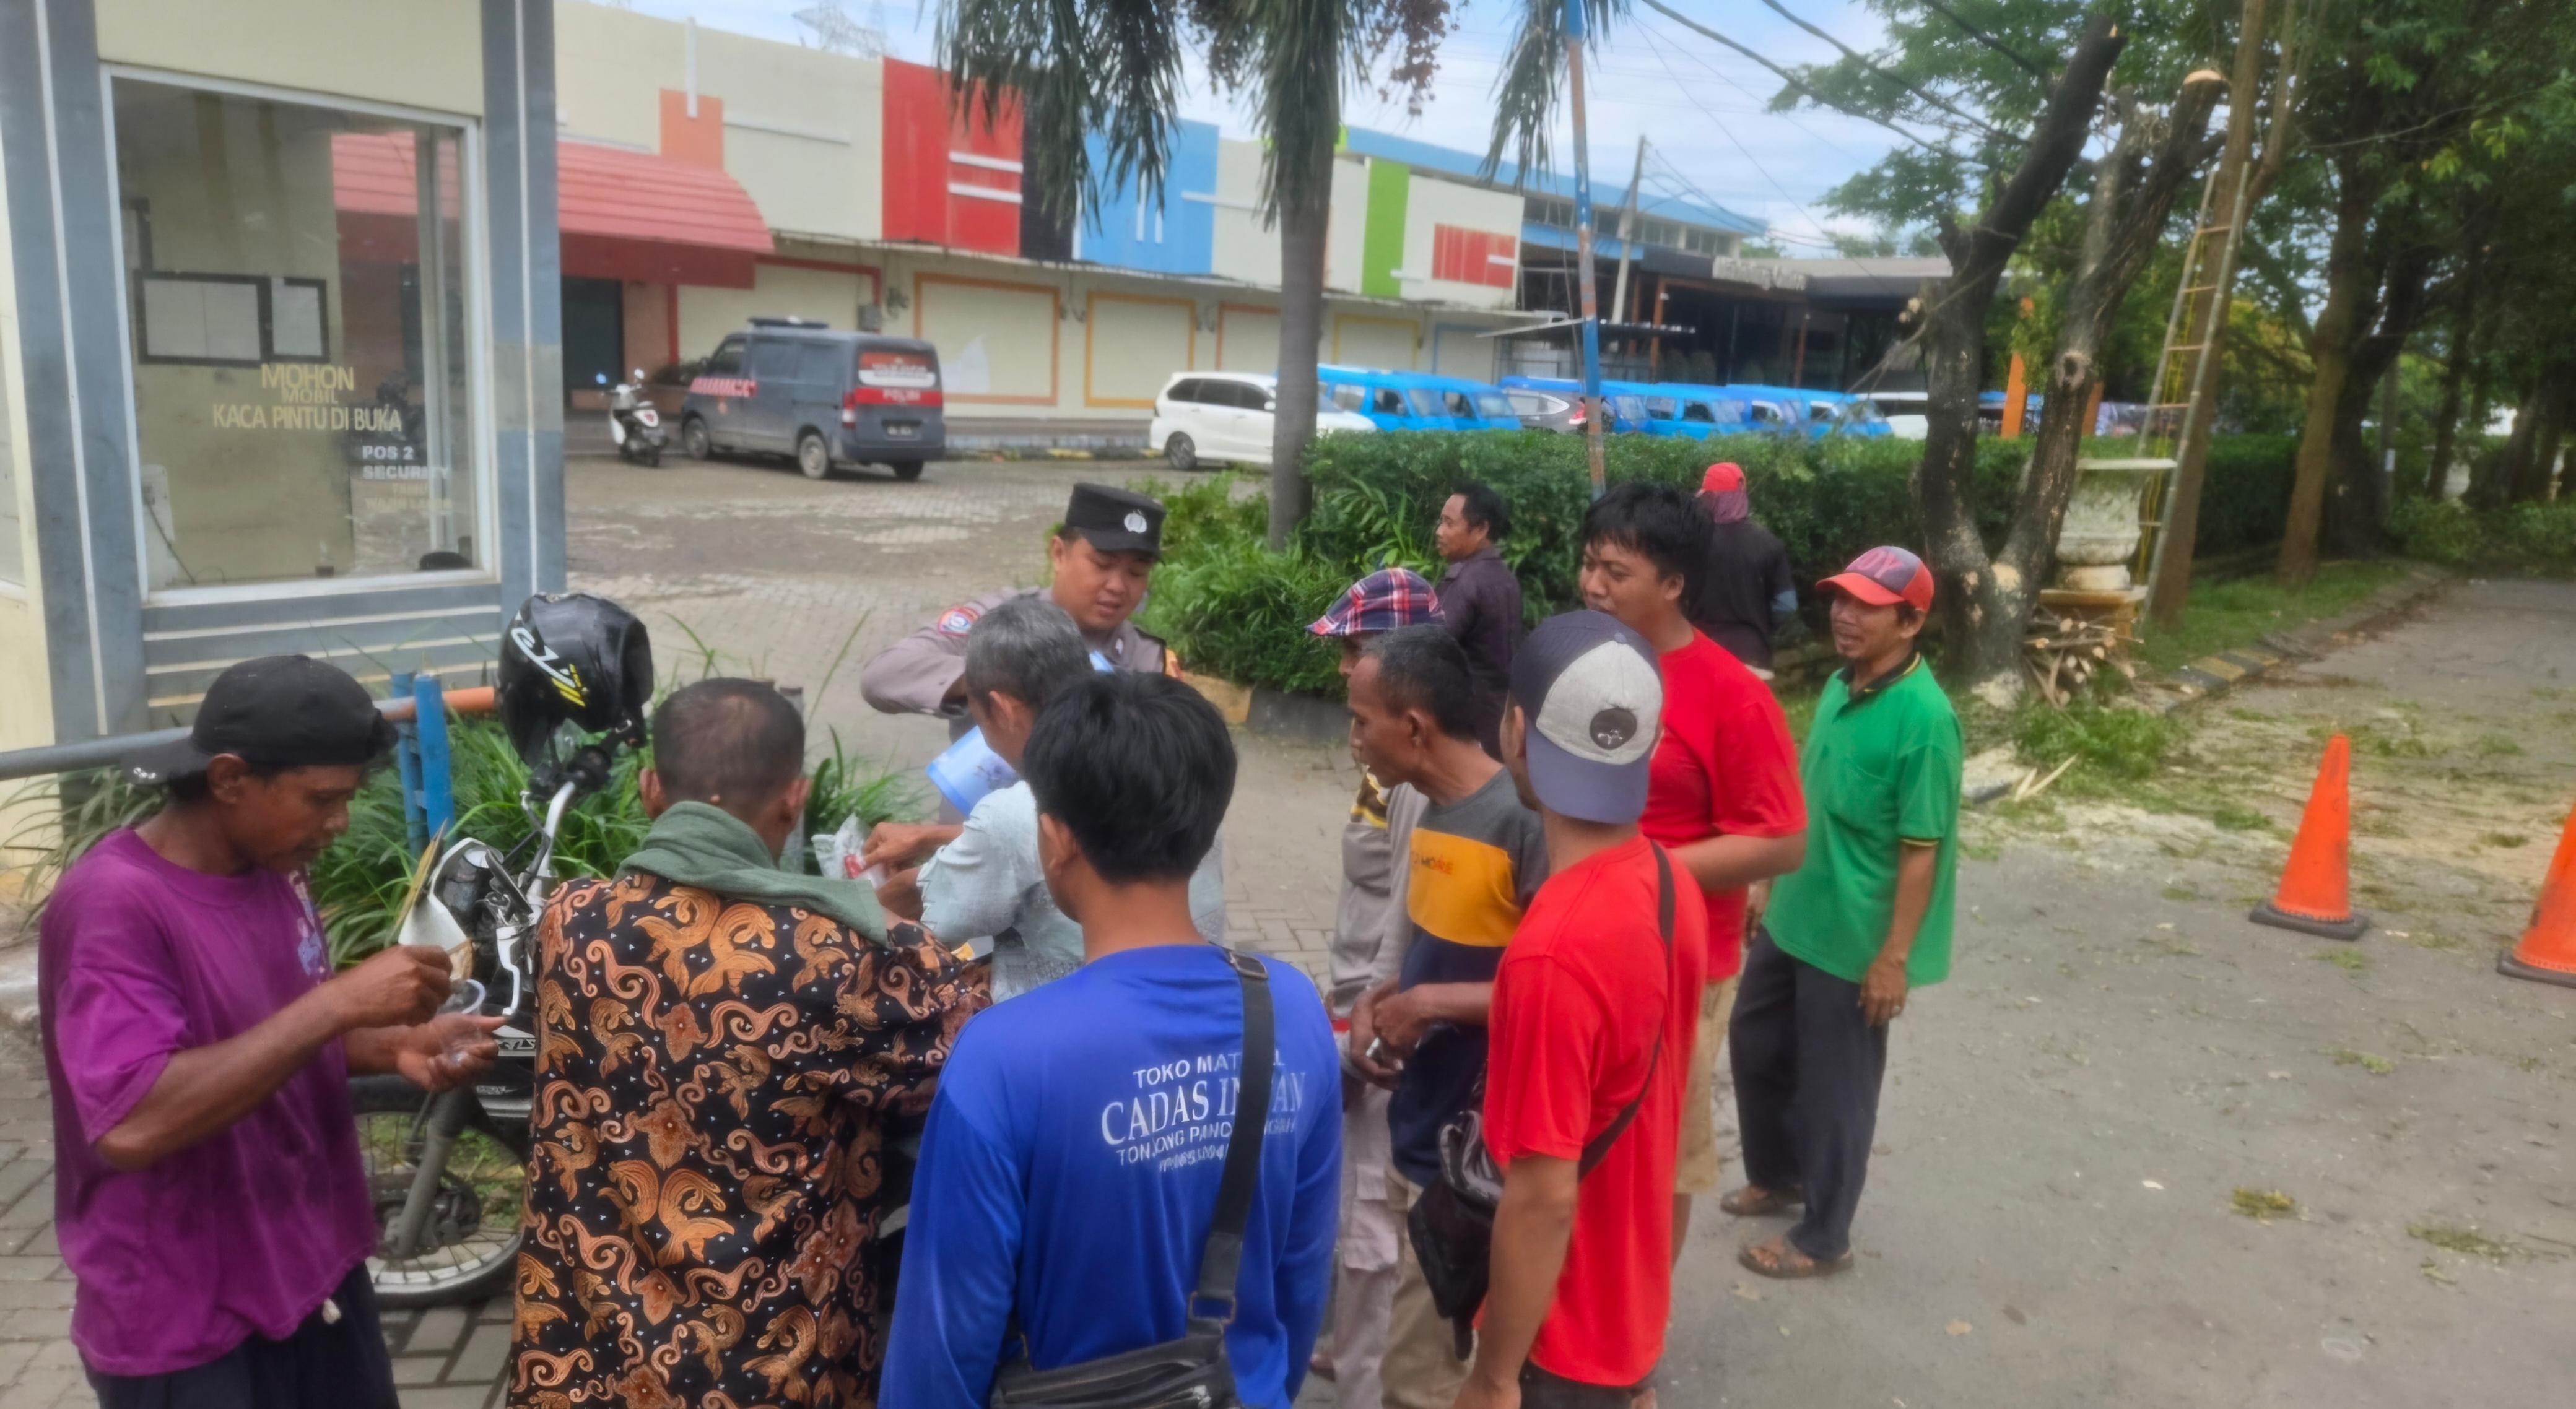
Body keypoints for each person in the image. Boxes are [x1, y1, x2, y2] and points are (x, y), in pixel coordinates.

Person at [39, 655, 500, 1408]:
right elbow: (131, 1121)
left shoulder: (274, 862)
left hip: (315, 1273)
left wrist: (391, 1045)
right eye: (322, 798)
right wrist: (337, 1004)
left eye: (348, 798)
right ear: (229, 778)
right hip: (188, 1317)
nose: (339, 822)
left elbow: (260, 1036)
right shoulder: (116, 905)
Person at [510, 678, 986, 1406]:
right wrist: (885, 923)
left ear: (649, 789)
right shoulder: (834, 955)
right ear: (795, 798)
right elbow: (967, 1045)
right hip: (767, 1363)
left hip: (589, 1354)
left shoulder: (569, 920)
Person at [882, 673, 1341, 1409]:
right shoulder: (1291, 1008)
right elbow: (1302, 1273)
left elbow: (943, 1341)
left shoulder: (1003, 1056)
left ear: (1057, 839)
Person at [1456, 611, 1709, 1409]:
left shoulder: (1551, 951)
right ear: (1647, 743)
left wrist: (1493, 1377)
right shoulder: (1671, 882)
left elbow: (1542, 1194)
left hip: (1556, 1347)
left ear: (1515, 731)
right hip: (1626, 1321)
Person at [1578, 482, 1806, 1262]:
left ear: (1673, 583)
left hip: (1678, 962)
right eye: (1588, 564)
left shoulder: (1730, 694)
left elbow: (1781, 840)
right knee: (1575, 1146)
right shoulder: (1586, 665)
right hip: (1581, 945)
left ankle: (1641, 1324)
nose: (1592, 585)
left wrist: (1640, 873)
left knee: (1657, 1158)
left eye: (1615, 572)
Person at [1729, 547, 1962, 1280]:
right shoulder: (1839, 684)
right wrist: (1765, 883)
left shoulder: (1925, 719)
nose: (1843, 614)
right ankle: (1779, 1174)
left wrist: (1892, 958)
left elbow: (1921, 850)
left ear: (1911, 621)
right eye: (1839, 598)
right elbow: (1806, 794)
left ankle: (1825, 1236)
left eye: (1865, 605)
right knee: (1754, 1043)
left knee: (1836, 1088)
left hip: (1855, 939)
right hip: (1796, 908)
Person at [1341, 628, 1547, 1409]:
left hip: (1471, 1161)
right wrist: (1386, 995)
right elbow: (1446, 952)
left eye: (1362, 719)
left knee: (1419, 1384)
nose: (1355, 737)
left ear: (1414, 727)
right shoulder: (1429, 809)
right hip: (1417, 1129)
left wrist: (1426, 1004)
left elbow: (1552, 991)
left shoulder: (1522, 823)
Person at [873, 596, 1226, 999]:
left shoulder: (1027, 809)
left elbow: (932, 902)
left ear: (1002, 709)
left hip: (1076, 1013)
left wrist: (843, 906)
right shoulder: (1176, 769)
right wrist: (933, 836)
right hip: (1199, 990)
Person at [1305, 568, 1445, 1409]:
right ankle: (1356, 1346)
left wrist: (1372, 1026)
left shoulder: (1418, 787)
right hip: (1355, 1005)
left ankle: (1369, 1379)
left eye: (1355, 649)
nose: (1342, 666)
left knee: (1370, 1210)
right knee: (1361, 1200)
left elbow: (1404, 915)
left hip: (1376, 1020)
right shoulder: (1386, 762)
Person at [859, 481, 1176, 738]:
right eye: (1103, 564)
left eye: (1137, 572)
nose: (1118, 586)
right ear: (1059, 554)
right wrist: (996, 678)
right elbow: (882, 676)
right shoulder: (995, 619)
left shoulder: (1148, 659)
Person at [1434, 482, 1522, 757]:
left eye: (1449, 523)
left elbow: (1430, 647)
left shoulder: (1468, 582)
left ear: (1481, 529)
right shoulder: (1504, 577)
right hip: (1499, 722)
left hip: (1468, 729)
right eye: (1441, 522)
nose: (1439, 532)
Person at [1684, 462, 1798, 675]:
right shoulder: (1769, 543)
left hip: (1702, 655)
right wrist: (1760, 626)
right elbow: (1786, 604)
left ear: (1711, 498)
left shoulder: (1691, 543)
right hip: (1753, 658)